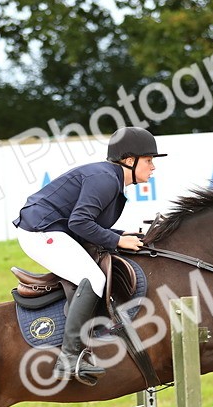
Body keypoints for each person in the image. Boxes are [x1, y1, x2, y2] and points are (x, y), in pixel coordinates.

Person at [13, 126, 166, 384]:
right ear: (130, 161)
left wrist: (121, 235)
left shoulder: (111, 178)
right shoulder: (106, 179)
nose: (153, 167)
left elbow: (89, 223)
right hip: (40, 232)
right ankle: (69, 357)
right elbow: (80, 223)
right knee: (93, 278)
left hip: (54, 229)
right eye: (149, 160)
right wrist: (117, 240)